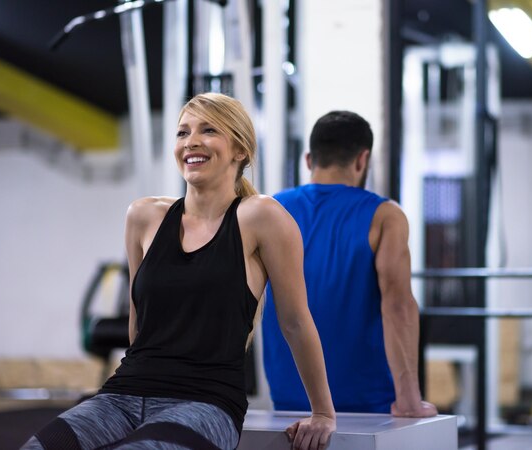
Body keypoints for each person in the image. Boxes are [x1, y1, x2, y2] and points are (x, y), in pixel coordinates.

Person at [21, 93, 336, 450]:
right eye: (183, 132)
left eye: (209, 130)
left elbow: (295, 321)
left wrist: (323, 413)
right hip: (122, 395)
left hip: (206, 403)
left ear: (240, 151)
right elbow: (138, 324)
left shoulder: (261, 216)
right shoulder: (143, 216)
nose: (191, 142)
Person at [262, 110, 438, 418]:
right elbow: (397, 306)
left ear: (308, 160)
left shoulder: (271, 211)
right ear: (362, 160)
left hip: (289, 399)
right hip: (368, 402)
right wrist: (409, 398)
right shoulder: (385, 216)